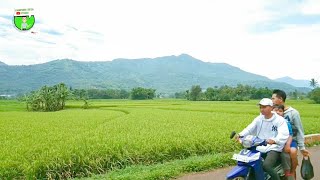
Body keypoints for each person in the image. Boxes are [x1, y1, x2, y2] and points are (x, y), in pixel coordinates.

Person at [236, 98, 289, 180]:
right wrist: (241, 135)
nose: (262, 109)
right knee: (249, 162)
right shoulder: (259, 119)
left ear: (271, 108)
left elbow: (284, 134)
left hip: (273, 148)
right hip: (259, 145)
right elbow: (250, 128)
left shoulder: (279, 120)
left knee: (266, 166)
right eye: (260, 107)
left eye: (264, 107)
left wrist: (274, 140)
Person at [272, 89, 310, 178]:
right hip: (276, 140)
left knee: (292, 152)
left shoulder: (293, 113)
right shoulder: (272, 111)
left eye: (273, 98)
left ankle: (292, 172)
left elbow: (300, 130)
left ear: (280, 99)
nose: (272, 100)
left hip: (291, 140)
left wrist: (302, 147)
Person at [273, 105, 295, 179]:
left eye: (280, 111)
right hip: (271, 143)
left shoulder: (286, 122)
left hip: (282, 143)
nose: (278, 112)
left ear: (283, 113)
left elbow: (290, 134)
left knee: (284, 155)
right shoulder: (269, 121)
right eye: (276, 110)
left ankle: (287, 172)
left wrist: (288, 144)